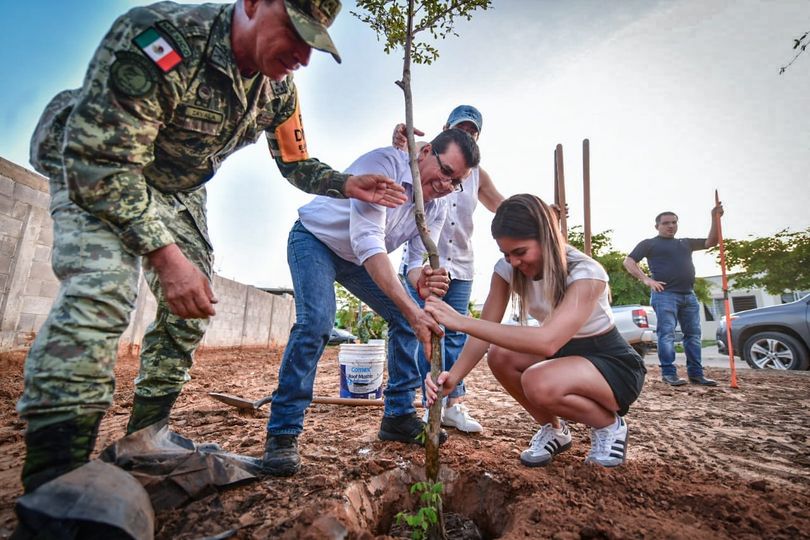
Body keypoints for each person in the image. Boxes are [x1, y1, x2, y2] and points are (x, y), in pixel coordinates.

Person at [18, 0, 409, 495]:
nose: (303, 56)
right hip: (98, 159)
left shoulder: (279, 89)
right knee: (101, 295)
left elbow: (294, 161)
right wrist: (165, 257)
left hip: (175, 185)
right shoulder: (164, 37)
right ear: (253, 4)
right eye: (295, 32)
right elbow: (104, 159)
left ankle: (145, 440)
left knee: (191, 307)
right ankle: (54, 483)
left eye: (314, 43)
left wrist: (347, 184)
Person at [262, 128, 481, 476]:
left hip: (357, 260)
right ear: (425, 152)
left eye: (456, 182)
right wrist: (413, 311)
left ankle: (398, 415)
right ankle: (283, 432)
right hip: (315, 240)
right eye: (445, 172)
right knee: (317, 322)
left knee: (405, 316)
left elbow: (413, 262)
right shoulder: (383, 166)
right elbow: (368, 243)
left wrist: (422, 279)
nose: (446, 185)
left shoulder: (436, 207)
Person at [424, 194, 647, 468]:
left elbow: (547, 341)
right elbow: (483, 334)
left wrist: (460, 321)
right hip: (566, 357)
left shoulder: (586, 273)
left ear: (547, 237)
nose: (513, 262)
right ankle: (554, 430)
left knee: (537, 381)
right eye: (506, 254)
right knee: (500, 355)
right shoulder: (507, 271)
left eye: (520, 252)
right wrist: (453, 378)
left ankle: (609, 426)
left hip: (610, 364)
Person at [392, 105, 504, 433]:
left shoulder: (477, 175)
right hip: (425, 264)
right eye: (461, 129)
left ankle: (451, 404)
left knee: (455, 335)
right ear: (446, 129)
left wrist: (539, 211)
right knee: (421, 329)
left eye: (473, 132)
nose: (467, 135)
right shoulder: (427, 154)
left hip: (462, 264)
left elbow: (502, 205)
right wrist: (399, 143)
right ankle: (426, 404)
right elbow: (399, 164)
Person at [623, 204, 724, 387]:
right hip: (665, 295)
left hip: (689, 295)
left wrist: (715, 218)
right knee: (667, 335)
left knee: (693, 335)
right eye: (666, 223)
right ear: (657, 226)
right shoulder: (649, 243)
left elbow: (711, 242)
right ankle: (669, 374)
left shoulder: (685, 243)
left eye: (674, 222)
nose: (671, 226)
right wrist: (646, 280)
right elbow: (629, 261)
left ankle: (696, 375)